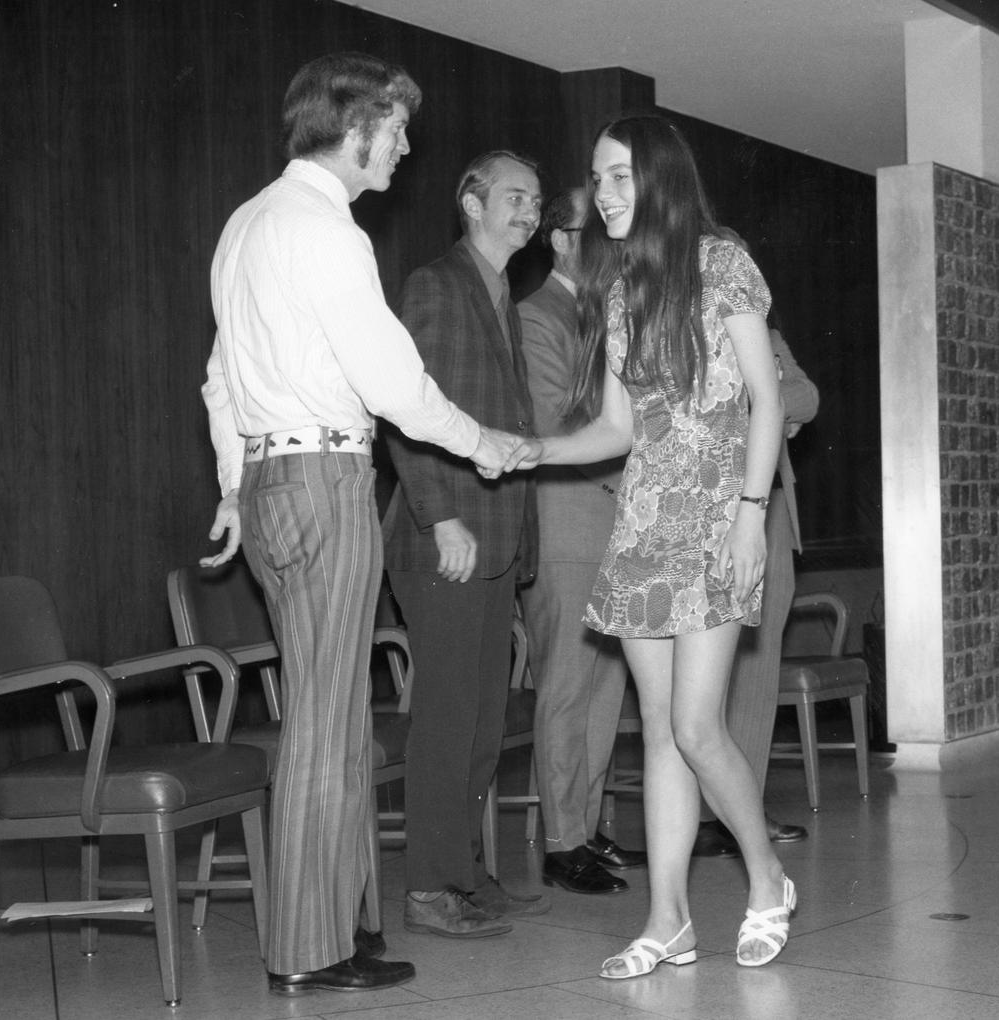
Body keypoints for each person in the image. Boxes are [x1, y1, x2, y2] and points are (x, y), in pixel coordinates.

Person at [200, 53, 528, 996]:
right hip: (324, 479)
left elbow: (221, 378)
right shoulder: (328, 232)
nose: (406, 145)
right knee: (321, 723)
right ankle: (308, 950)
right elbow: (392, 381)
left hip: (271, 477)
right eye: (396, 129)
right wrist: (481, 443)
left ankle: (344, 925)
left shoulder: (246, 224)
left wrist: (233, 485)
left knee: (339, 718)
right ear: (356, 129)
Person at [517, 114, 795, 973]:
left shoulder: (722, 264)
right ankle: (667, 918)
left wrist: (752, 514)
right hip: (642, 527)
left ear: (661, 179)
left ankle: (768, 880)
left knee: (696, 725)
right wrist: (535, 447)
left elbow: (767, 400)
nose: (602, 195)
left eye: (619, 177)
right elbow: (614, 425)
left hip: (717, 518)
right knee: (660, 730)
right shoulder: (621, 285)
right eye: (597, 179)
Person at [382, 151, 548, 938]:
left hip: (495, 538)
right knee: (448, 719)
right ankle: (428, 889)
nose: (531, 210)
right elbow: (407, 408)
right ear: (471, 203)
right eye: (516, 197)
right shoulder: (436, 284)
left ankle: (463, 874)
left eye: (537, 200)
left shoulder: (501, 293)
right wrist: (440, 515)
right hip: (445, 536)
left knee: (484, 721)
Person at [518, 187, 645, 895]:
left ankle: (588, 828)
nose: (611, 243)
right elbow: (558, 419)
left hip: (616, 519)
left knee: (606, 688)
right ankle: (562, 839)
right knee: (568, 687)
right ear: (561, 240)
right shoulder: (536, 315)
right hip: (568, 517)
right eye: (594, 230)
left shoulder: (606, 313)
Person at [694, 304, 819, 858]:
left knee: (759, 667)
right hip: (708, 516)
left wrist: (763, 402)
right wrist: (767, 407)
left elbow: (807, 397)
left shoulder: (767, 333)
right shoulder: (688, 332)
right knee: (702, 679)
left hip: (768, 515)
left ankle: (744, 810)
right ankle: (703, 812)